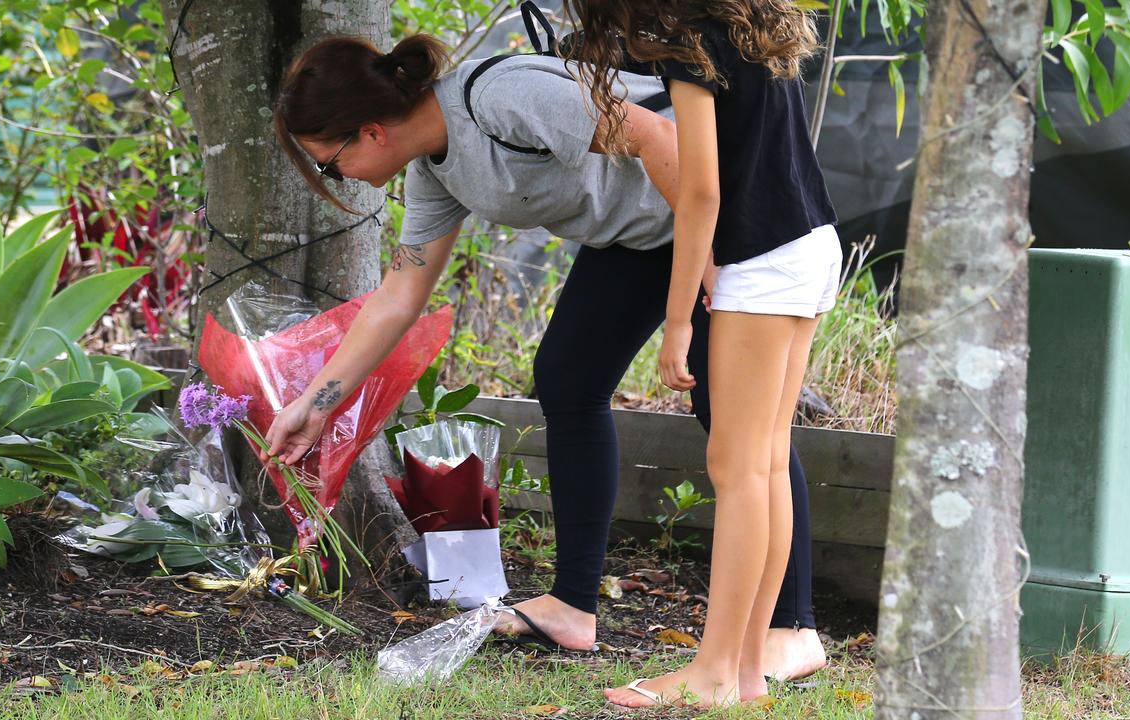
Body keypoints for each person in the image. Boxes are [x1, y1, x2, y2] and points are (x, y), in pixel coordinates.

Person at [265, 32, 825, 681]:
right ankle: (573, 605)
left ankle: (793, 627)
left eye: (330, 164)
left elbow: (661, 140)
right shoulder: (435, 169)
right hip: (638, 235)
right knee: (569, 378)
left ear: (369, 131)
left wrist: (705, 276)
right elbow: (398, 296)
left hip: (713, 213)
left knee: (735, 414)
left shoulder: (498, 98)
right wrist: (314, 403)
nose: (339, 179)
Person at [559, 0, 841, 708]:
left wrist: (678, 318)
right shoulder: (750, 32)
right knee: (766, 463)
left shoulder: (691, 51)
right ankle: (744, 674)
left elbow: (702, 192)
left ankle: (712, 672)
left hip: (764, 257)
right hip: (810, 245)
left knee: (739, 467)